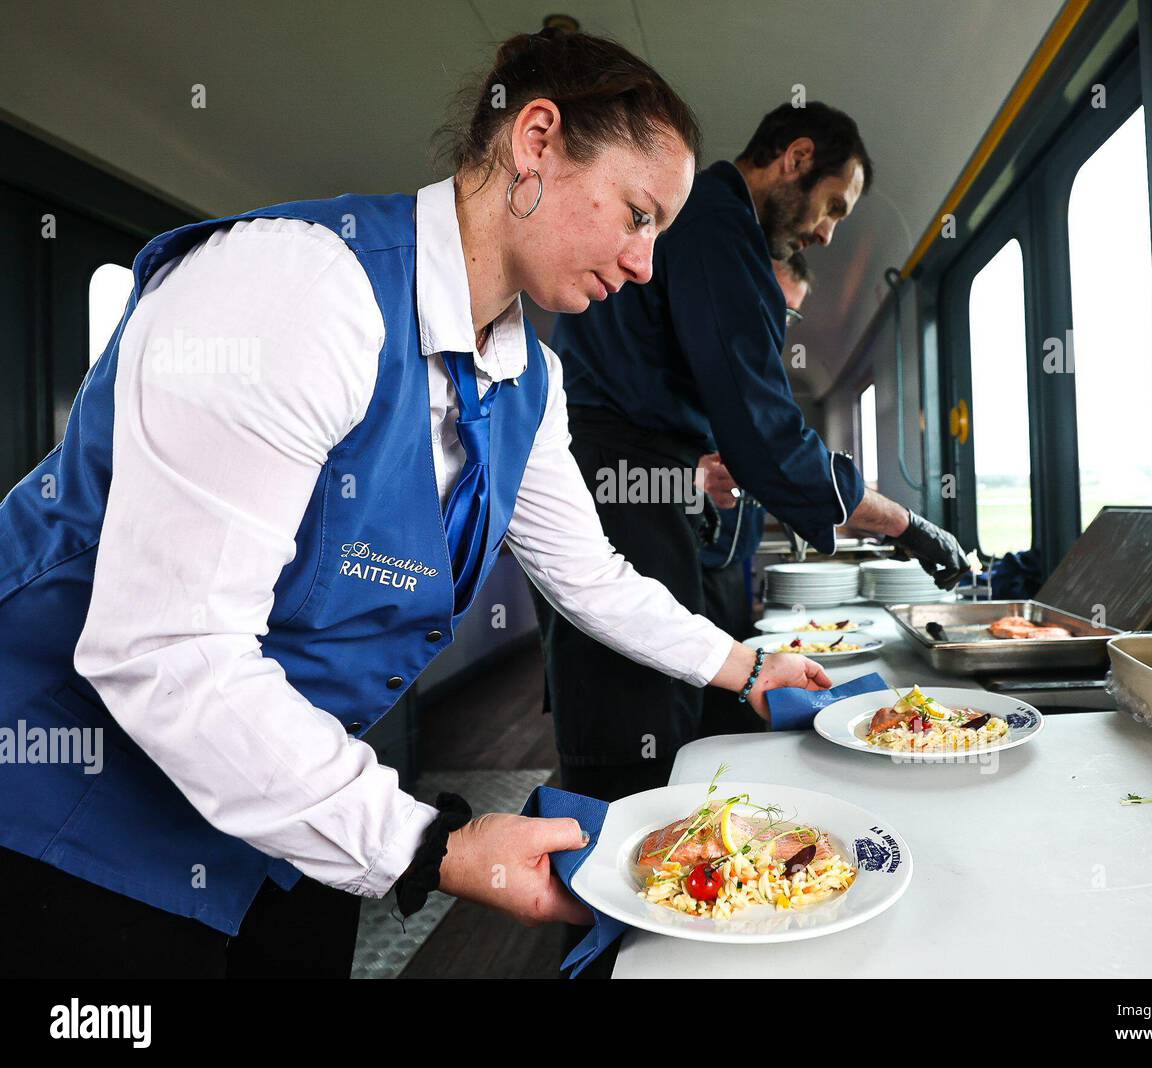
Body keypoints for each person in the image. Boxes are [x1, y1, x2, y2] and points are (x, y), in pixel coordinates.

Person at [0, 30, 833, 979]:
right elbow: (168, 652)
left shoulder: (530, 380)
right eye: (637, 215)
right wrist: (430, 844)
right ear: (537, 141)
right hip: (66, 811)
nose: (645, 265)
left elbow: (591, 578)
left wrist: (749, 667)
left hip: (291, 815)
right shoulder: (303, 288)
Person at [538, 101, 968, 798]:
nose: (826, 234)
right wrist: (904, 525)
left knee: (629, 683)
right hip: (626, 477)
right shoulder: (717, 223)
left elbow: (737, 424)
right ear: (795, 158)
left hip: (632, 467)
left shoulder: (709, 222)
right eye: (832, 206)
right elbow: (766, 433)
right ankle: (615, 878)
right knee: (635, 705)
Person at [696, 253, 813, 737]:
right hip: (678, 575)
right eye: (773, 307)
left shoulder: (753, 386)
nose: (777, 326)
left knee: (730, 713)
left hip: (732, 573)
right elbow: (606, 479)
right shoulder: (688, 372)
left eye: (789, 315)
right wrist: (689, 479)